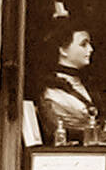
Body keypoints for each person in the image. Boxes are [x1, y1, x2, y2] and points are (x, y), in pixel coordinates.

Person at [36, 16, 102, 144]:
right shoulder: (53, 92)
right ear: (63, 50)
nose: (90, 49)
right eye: (83, 44)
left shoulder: (86, 84)